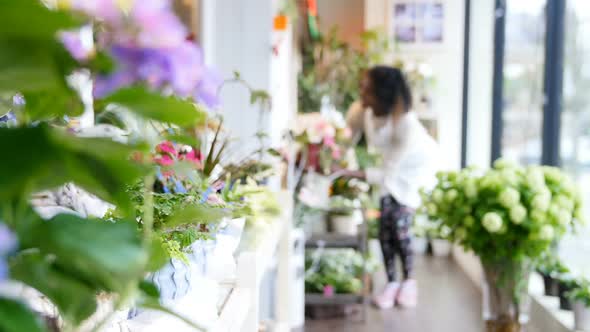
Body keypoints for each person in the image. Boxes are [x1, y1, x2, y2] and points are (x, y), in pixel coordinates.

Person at [346, 66, 439, 309]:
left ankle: (409, 283)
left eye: (367, 86)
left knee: (400, 224)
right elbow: (344, 138)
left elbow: (389, 171)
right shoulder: (362, 110)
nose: (361, 89)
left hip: (414, 168)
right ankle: (391, 283)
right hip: (391, 168)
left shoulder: (405, 122)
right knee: (385, 225)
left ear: (382, 92)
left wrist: (350, 173)